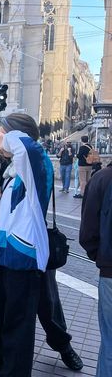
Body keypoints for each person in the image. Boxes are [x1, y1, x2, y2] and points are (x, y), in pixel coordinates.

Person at [0, 113, 53, 377]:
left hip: (23, 258)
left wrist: (8, 135)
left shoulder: (37, 161)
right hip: (5, 257)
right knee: (2, 320)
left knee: (19, 325)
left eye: (2, 132)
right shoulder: (14, 170)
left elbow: (27, 145)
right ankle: (1, 368)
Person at [80, 160, 112, 377]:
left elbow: (88, 232)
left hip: (110, 273)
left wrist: (102, 258)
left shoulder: (102, 179)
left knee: (110, 343)